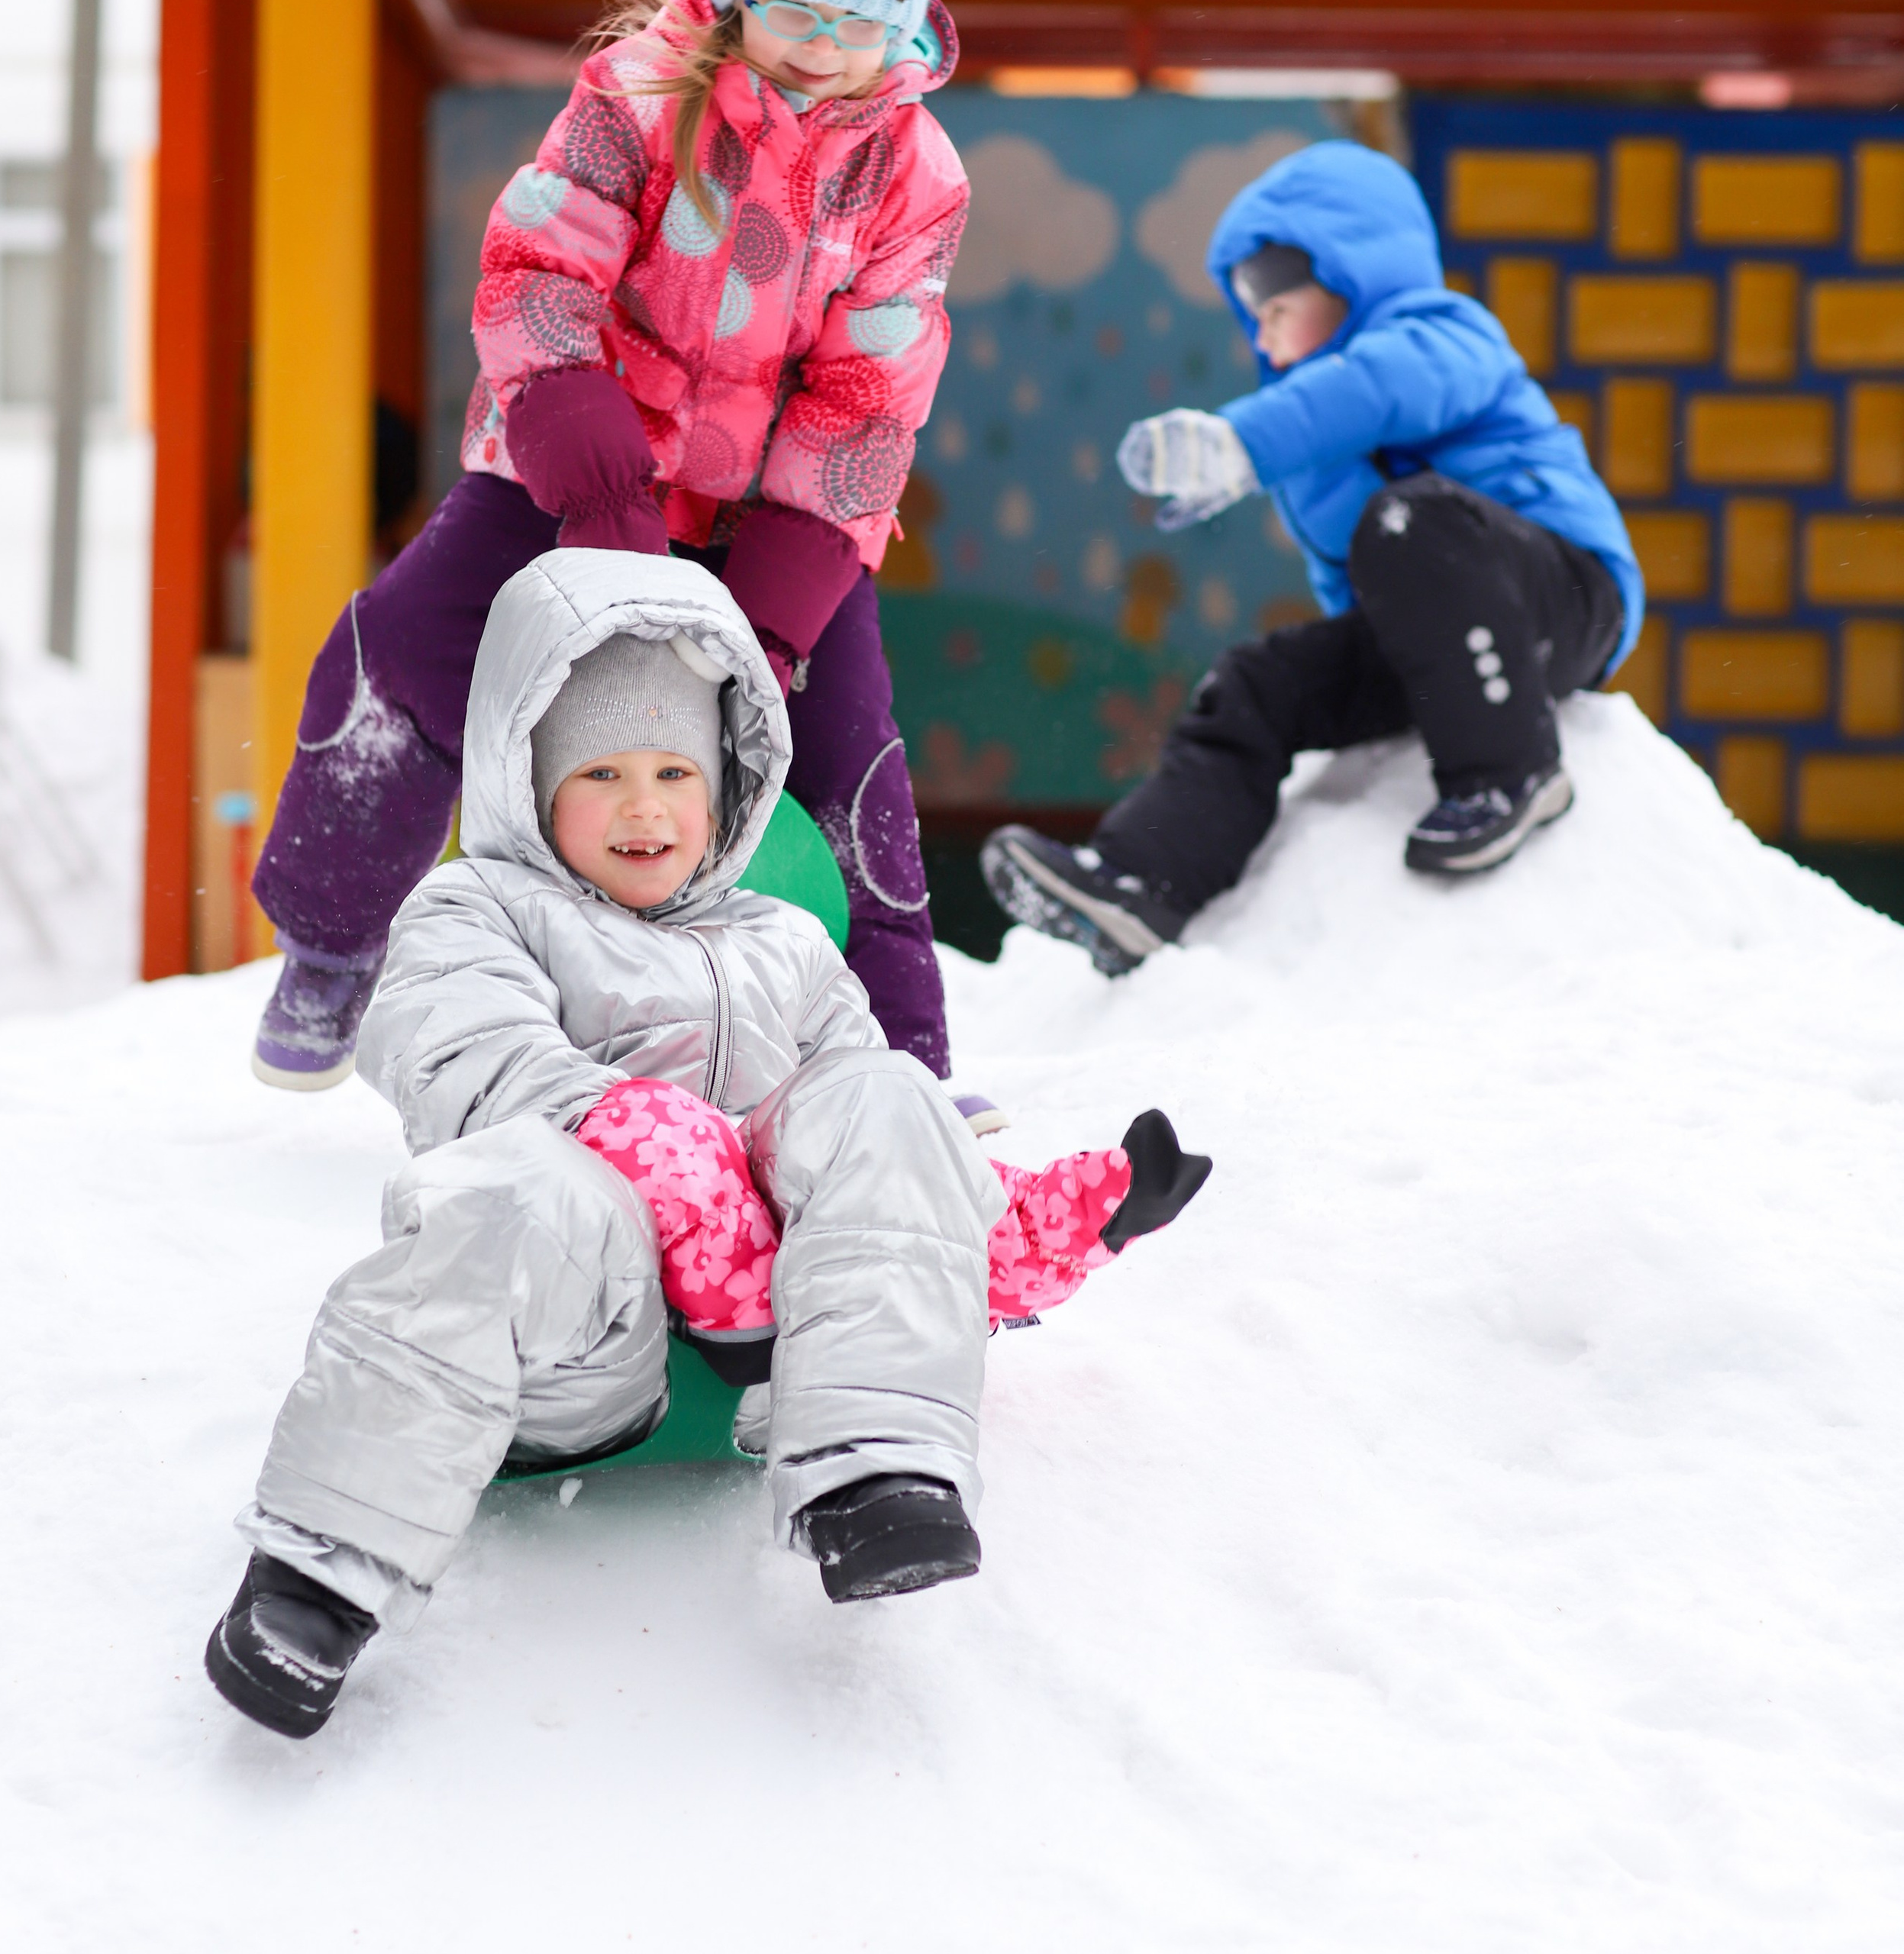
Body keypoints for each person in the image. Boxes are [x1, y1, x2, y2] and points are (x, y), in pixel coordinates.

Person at [204, 550, 1209, 1740]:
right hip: (586, 1343)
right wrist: (627, 1129)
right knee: (512, 1197)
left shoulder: (786, 940)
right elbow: (456, 1057)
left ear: (725, 781)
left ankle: (878, 1473)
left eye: (676, 769)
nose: (646, 807)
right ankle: (320, 1572)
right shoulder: (476, 910)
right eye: (602, 772)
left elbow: (876, 1158)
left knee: (885, 1090)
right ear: (526, 781)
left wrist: (1038, 1220)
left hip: (789, 1353)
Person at [250, 0, 977, 1110]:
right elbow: (538, 271)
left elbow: (870, 398)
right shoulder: (643, 91)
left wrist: (771, 624)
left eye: (858, 20)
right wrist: (594, 485)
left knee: (845, 754)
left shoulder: (915, 172)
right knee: (403, 651)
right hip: (571, 464)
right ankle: (332, 941)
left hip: (776, 513)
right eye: (796, 9)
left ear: (913, 23)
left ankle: (899, 1067)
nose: (823, 44)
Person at [982, 140, 1644, 976]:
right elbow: (1354, 583)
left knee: (1409, 520)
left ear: (1349, 273)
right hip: (1437, 637)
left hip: (1562, 597)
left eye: (1274, 303)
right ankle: (1143, 878)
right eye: (1249, 316)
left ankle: (1507, 773)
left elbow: (1382, 388)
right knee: (1257, 680)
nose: (1260, 332)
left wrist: (1246, 442)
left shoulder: (1440, 332)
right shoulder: (1312, 442)